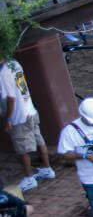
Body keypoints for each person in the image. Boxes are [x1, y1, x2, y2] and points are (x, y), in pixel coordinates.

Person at [0, 58, 56, 192]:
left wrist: (7, 119)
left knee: (22, 149)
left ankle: (29, 178)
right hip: (30, 109)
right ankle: (48, 169)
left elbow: (11, 99)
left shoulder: (3, 73)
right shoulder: (14, 63)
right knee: (39, 140)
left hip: (19, 117)